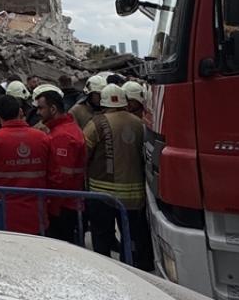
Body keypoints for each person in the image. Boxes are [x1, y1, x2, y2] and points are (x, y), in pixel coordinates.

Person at [84, 83, 153, 270]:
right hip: (134, 195)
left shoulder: (96, 124)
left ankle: (105, 270)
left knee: (102, 237)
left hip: (101, 194)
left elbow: (83, 153)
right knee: (131, 237)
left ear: (103, 102)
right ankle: (131, 268)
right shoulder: (139, 123)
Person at [0, 94, 51, 235]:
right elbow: (53, 173)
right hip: (36, 213)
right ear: (20, 112)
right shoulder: (42, 138)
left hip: (4, 212)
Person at [36, 87, 87, 244]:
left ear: (53, 109)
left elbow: (60, 178)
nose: (38, 112)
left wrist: (52, 207)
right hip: (68, 202)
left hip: (62, 206)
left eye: (41, 108)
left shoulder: (62, 136)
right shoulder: (66, 129)